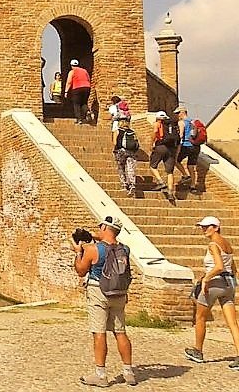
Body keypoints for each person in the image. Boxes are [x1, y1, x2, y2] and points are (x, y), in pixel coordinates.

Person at [73, 215, 135, 386]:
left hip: (98, 292)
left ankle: (101, 375)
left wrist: (78, 252)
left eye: (101, 227)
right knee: (120, 332)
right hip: (119, 294)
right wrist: (93, 235)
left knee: (99, 333)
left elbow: (80, 270)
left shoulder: (93, 250)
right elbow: (110, 241)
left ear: (105, 228)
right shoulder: (126, 249)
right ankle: (128, 372)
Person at [184, 216, 239, 371]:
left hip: (214, 284)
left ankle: (198, 351)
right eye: (202, 227)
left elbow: (219, 266)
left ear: (215, 227)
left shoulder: (213, 245)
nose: (203, 229)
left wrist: (206, 280)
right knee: (233, 323)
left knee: (200, 317)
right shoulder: (227, 245)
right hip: (228, 285)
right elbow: (232, 268)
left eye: (207, 226)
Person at [148, 111, 177, 202]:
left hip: (160, 146)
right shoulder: (171, 125)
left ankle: (160, 181)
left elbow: (155, 132)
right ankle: (170, 192)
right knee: (170, 172)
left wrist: (151, 143)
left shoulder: (157, 124)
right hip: (171, 148)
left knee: (152, 166)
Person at [174, 106, 200, 193]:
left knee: (176, 160)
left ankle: (185, 175)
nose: (177, 115)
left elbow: (181, 135)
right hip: (195, 147)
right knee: (191, 166)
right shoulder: (193, 122)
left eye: (178, 113)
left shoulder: (182, 122)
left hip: (186, 146)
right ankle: (193, 186)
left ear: (182, 112)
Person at [114, 118, 138, 197]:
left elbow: (114, 142)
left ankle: (124, 184)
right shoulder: (132, 132)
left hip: (121, 151)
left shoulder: (117, 131)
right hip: (131, 152)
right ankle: (132, 184)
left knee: (121, 168)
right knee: (130, 168)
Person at [65, 59, 92, 124]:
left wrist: (66, 91)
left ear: (71, 65)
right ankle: (87, 111)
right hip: (87, 87)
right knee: (84, 103)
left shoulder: (72, 71)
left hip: (77, 88)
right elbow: (88, 79)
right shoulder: (84, 71)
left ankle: (79, 119)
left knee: (76, 104)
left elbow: (69, 82)